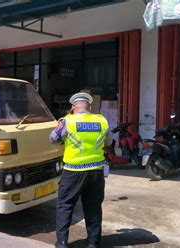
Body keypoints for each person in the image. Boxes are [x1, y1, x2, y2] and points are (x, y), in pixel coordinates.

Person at [49, 92, 112, 248]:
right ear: (89, 106)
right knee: (93, 207)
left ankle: (62, 243)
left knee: (65, 206)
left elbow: (53, 139)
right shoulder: (101, 121)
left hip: (73, 172)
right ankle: (93, 243)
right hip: (96, 172)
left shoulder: (67, 121)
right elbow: (109, 141)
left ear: (73, 106)